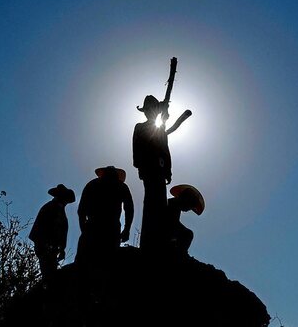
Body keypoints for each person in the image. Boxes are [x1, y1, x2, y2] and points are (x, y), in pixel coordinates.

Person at [132, 95, 172, 251]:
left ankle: (161, 241)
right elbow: (136, 149)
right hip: (149, 169)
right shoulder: (140, 127)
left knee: (160, 202)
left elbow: (166, 151)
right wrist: (140, 167)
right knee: (150, 202)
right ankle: (149, 242)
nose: (151, 112)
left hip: (160, 170)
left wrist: (168, 170)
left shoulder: (160, 129)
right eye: (149, 109)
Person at [76, 166, 134, 264]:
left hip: (93, 228)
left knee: (85, 263)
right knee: (108, 263)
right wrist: (127, 229)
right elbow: (129, 209)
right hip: (111, 229)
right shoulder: (121, 186)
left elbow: (81, 210)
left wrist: (84, 229)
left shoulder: (92, 184)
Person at [28, 184, 75, 277]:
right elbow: (41, 229)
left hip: (51, 248)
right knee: (49, 274)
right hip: (46, 247)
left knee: (51, 273)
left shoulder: (59, 210)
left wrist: (61, 249)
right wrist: (46, 245)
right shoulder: (50, 208)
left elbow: (62, 232)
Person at [165, 184, 205, 256]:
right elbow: (172, 224)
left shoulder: (173, 204)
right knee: (188, 234)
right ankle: (179, 255)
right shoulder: (173, 205)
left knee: (187, 234)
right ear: (186, 199)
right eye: (190, 206)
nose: (188, 210)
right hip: (158, 235)